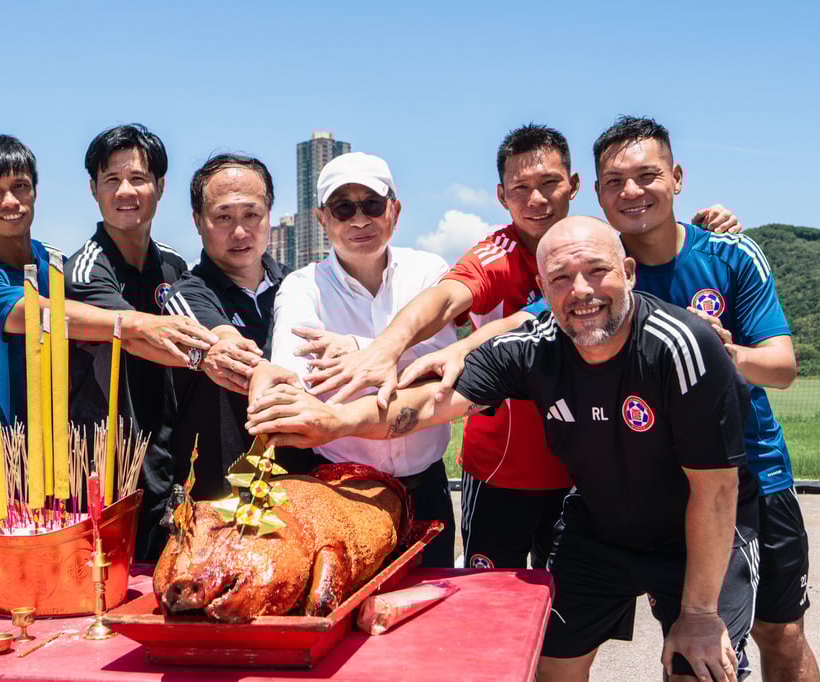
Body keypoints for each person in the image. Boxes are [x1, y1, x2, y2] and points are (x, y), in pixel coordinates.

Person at [247, 216, 760, 681]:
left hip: (696, 534)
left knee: (697, 669)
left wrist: (697, 615)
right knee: (550, 666)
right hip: (602, 530)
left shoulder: (683, 346)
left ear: (628, 271)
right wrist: (335, 421)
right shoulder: (535, 346)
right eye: (560, 278)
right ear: (542, 287)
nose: (580, 291)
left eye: (596, 271)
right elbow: (429, 404)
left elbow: (716, 493)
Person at [295, 125, 742, 571]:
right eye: (520, 189)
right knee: (486, 606)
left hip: (583, 469)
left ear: (574, 185)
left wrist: (706, 228)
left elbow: (656, 239)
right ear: (501, 196)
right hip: (501, 468)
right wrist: (387, 348)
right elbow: (449, 296)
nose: (536, 200)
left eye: (549, 184)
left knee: (567, 615)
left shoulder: (594, 246)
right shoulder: (497, 253)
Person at [593, 115, 820, 681]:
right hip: (668, 490)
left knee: (782, 632)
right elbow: (531, 322)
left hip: (757, 475)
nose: (631, 191)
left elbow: (783, 367)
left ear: (677, 177)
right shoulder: (597, 273)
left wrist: (724, 353)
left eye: (647, 175)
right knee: (692, 651)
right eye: (614, 181)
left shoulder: (730, 256)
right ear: (596, 192)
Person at [0, 133, 215, 533]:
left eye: (20, 186)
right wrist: (139, 322)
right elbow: (41, 314)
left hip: (62, 472)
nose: (10, 202)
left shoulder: (54, 261)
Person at [254, 152, 459, 567]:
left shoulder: (428, 273)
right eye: (343, 208)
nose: (359, 220)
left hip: (428, 484)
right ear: (322, 219)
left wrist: (356, 347)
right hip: (343, 491)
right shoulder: (302, 287)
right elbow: (299, 379)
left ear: (394, 211)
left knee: (434, 611)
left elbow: (444, 371)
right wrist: (401, 356)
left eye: (372, 204)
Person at [64, 124, 217, 561]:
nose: (125, 191)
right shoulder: (85, 269)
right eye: (111, 180)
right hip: (107, 456)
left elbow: (197, 316)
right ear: (94, 189)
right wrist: (210, 354)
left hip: (167, 445)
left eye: (138, 178)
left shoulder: (172, 263)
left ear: (160, 186)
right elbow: (138, 334)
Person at [159, 153, 312, 510]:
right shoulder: (185, 295)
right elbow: (227, 346)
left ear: (269, 215)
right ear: (199, 221)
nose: (240, 232)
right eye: (223, 217)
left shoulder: (302, 288)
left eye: (251, 215)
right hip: (216, 503)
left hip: (301, 495)